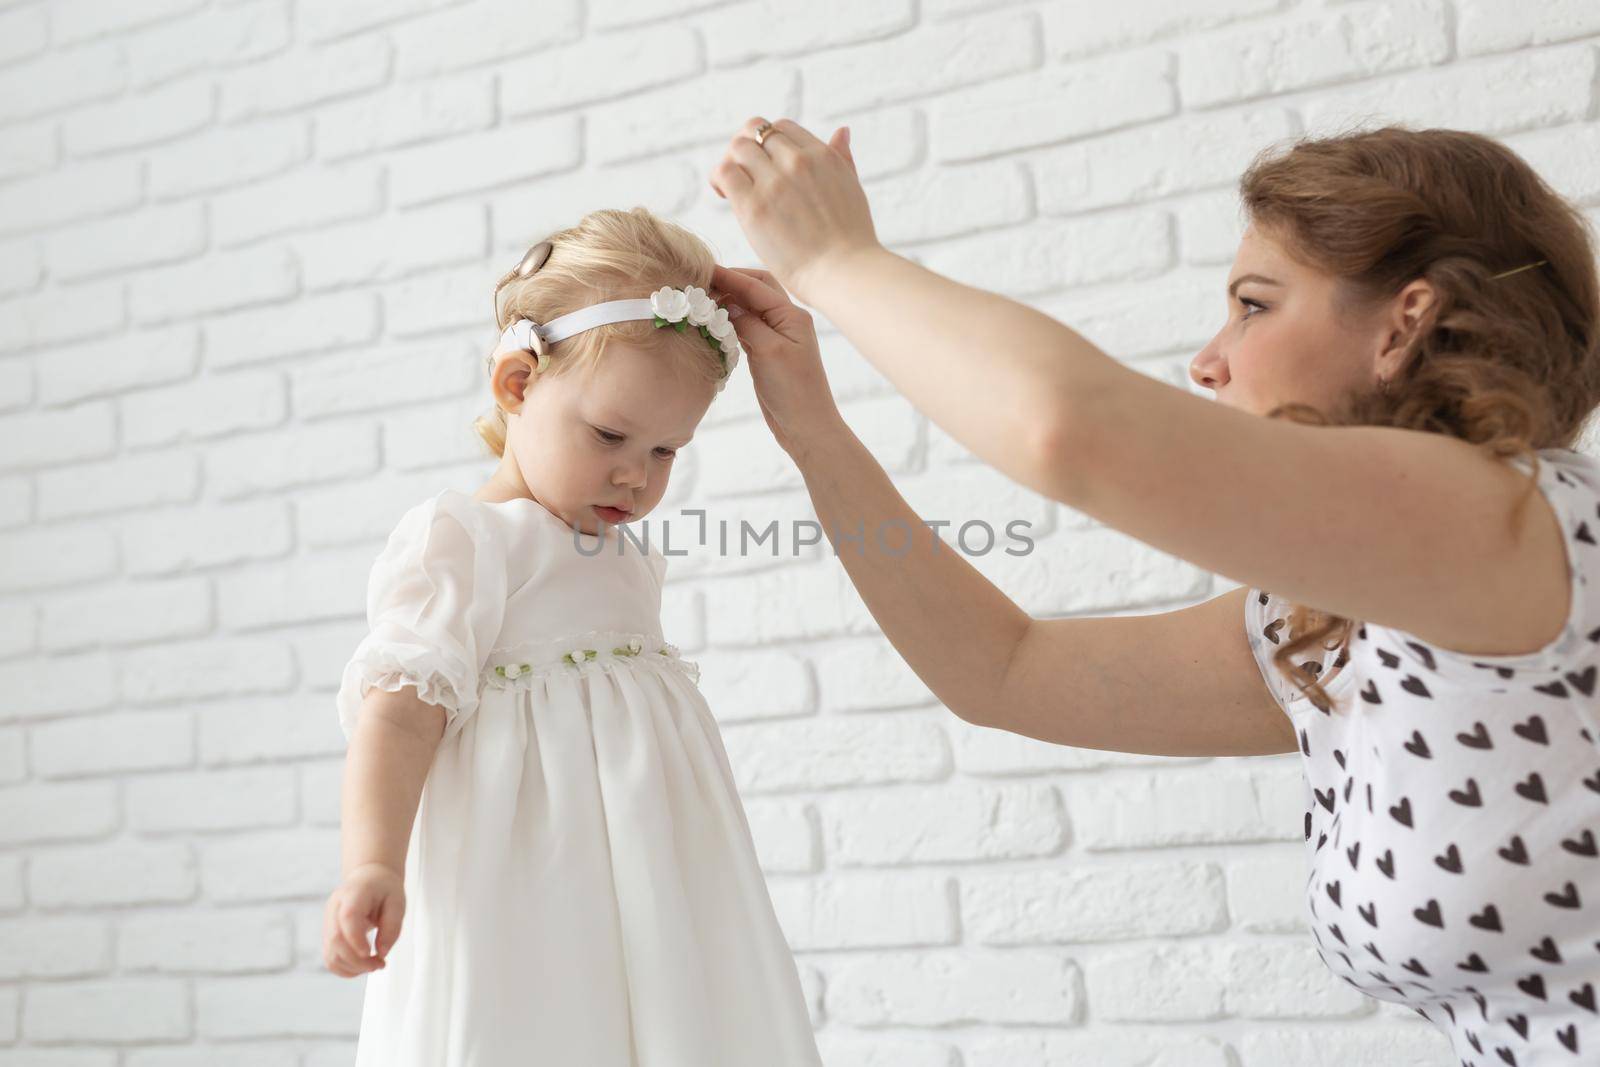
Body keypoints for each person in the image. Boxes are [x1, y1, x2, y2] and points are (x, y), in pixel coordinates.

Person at [706, 119, 1600, 1062]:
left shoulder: (1508, 523)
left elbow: (1069, 429)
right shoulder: (1342, 621)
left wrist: (838, 259)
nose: (1210, 359)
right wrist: (814, 431)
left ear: (1404, 323)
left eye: (1254, 305)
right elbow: (1002, 672)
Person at [322, 207, 822, 1066]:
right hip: (529, 880)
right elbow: (399, 713)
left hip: (656, 873)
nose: (637, 472)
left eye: (668, 449)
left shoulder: (619, 555)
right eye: (610, 435)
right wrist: (374, 860)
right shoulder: (466, 540)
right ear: (517, 385)